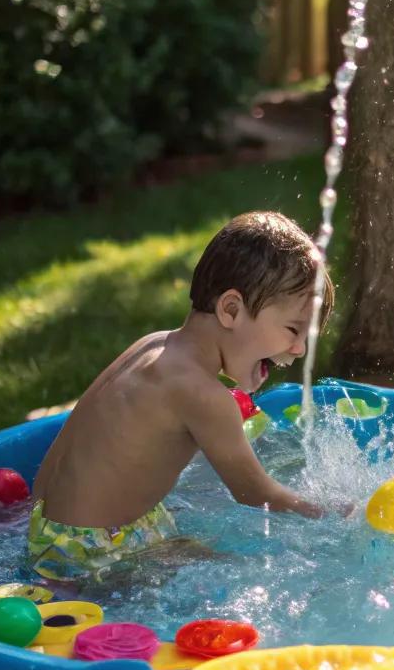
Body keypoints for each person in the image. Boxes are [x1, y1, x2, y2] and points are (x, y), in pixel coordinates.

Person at [29, 211, 334, 581]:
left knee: (194, 551)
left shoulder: (155, 346)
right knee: (237, 572)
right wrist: (328, 514)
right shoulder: (203, 396)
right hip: (90, 550)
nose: (300, 349)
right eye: (293, 329)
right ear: (231, 309)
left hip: (52, 528)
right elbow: (255, 492)